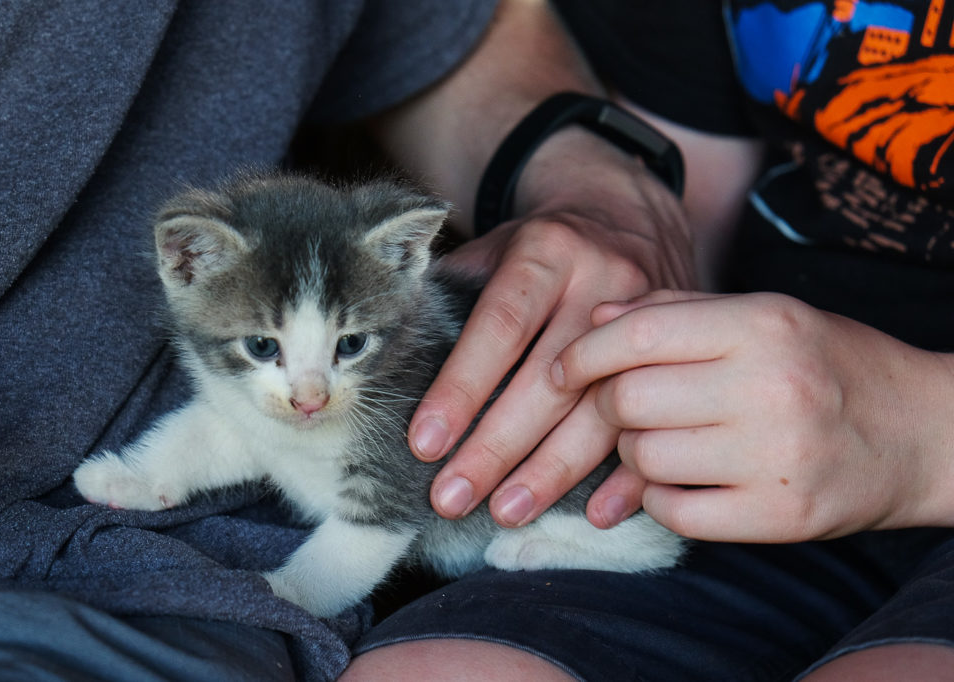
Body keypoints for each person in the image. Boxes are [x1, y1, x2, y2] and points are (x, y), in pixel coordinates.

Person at [0, 0, 690, 680]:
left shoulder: (392, 372)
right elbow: (231, 431)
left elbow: (382, 515)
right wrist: (147, 474)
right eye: (265, 349)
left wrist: (296, 591)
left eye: (348, 347)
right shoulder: (236, 316)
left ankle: (621, 541)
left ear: (403, 264)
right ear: (185, 264)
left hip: (522, 516)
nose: (308, 392)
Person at [343, 1, 954, 680]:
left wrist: (921, 436)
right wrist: (616, 283)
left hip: (922, 439)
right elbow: (689, 215)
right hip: (752, 450)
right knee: (437, 670)